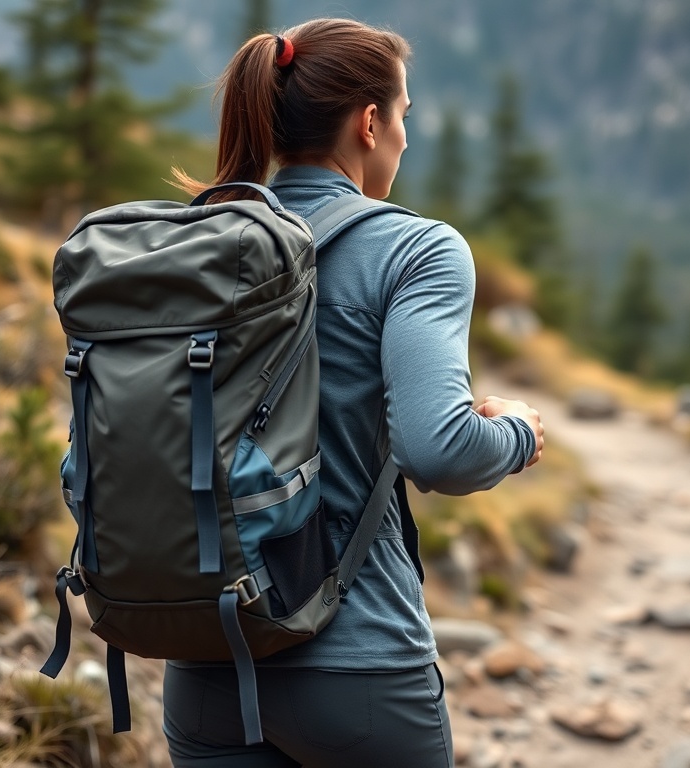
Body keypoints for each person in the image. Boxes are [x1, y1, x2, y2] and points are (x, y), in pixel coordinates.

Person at [164, 17, 545, 768]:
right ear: (370, 123)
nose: (405, 137)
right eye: (404, 116)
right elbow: (438, 451)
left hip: (207, 663)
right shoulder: (415, 249)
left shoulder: (196, 241)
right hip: (359, 667)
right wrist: (519, 433)